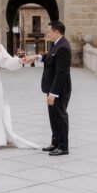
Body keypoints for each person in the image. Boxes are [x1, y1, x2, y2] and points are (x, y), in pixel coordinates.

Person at [24, 20, 71, 156]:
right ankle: (55, 143)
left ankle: (63, 147)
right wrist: (36, 56)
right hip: (52, 88)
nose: (47, 33)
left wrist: (54, 93)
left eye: (49, 31)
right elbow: (49, 57)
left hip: (59, 90)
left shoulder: (63, 47)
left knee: (60, 116)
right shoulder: (56, 44)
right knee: (53, 117)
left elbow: (62, 73)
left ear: (56, 31)